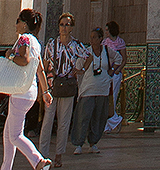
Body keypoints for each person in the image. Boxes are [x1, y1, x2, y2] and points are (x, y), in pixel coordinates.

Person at [2, 7, 53, 170]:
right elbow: (40, 70)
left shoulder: (24, 39)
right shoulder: (36, 43)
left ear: (24, 24)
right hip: (29, 92)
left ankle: (38, 161)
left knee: (15, 136)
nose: (16, 24)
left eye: (18, 21)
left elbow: (24, 60)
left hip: (20, 92)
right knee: (8, 134)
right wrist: (45, 92)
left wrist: (10, 55)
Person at [39, 13, 88, 168]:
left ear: (72, 27)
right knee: (47, 121)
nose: (64, 28)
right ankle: (42, 155)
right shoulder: (52, 44)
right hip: (52, 87)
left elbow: (88, 56)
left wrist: (80, 70)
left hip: (67, 87)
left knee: (64, 122)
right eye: (62, 24)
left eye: (67, 25)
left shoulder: (76, 45)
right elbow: (45, 64)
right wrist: (43, 88)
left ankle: (59, 154)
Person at [71, 25, 110, 155]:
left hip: (102, 90)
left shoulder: (107, 51)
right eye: (91, 37)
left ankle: (93, 143)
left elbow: (120, 59)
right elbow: (78, 67)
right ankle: (78, 143)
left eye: (94, 37)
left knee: (98, 117)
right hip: (88, 90)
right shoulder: (86, 53)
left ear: (100, 39)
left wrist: (112, 73)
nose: (92, 40)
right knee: (83, 117)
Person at [102, 22, 125, 132]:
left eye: (107, 30)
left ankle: (114, 121)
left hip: (115, 74)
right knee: (106, 98)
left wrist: (117, 70)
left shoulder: (120, 42)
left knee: (113, 98)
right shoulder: (104, 42)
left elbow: (124, 59)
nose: (106, 32)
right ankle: (110, 124)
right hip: (107, 74)